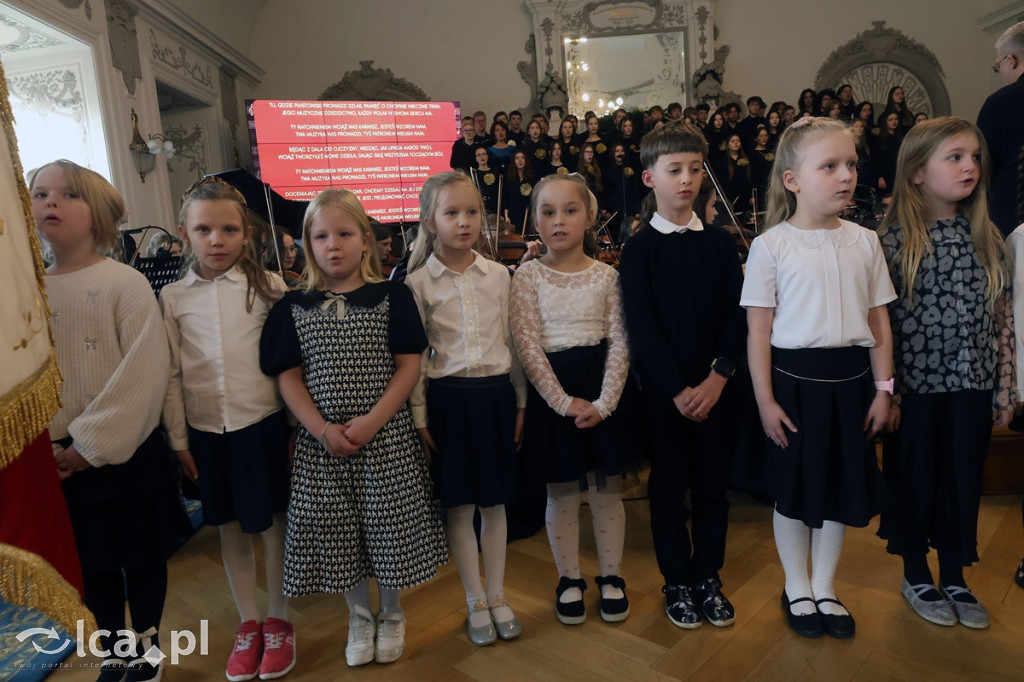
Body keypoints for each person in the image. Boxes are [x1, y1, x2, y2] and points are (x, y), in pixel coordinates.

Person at [259, 189, 447, 668]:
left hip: (385, 439)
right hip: (322, 446)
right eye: (321, 236)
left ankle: (390, 610)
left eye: (345, 234)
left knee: (389, 529)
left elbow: (408, 365)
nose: (333, 245)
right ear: (307, 244)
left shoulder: (392, 295)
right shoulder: (293, 306)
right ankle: (358, 614)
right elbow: (288, 376)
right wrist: (322, 429)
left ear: (366, 241)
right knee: (337, 530)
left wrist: (372, 421)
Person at [31, 159, 188, 681]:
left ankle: (145, 649)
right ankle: (114, 652)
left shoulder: (124, 283)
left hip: (120, 454)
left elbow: (142, 373)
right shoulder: (27, 292)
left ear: (97, 214)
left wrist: (86, 445)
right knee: (91, 568)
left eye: (67, 194)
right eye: (40, 193)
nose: (50, 202)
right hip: (56, 459)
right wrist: (45, 445)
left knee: (139, 561)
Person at [740, 118, 896, 640]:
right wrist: (764, 401)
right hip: (792, 386)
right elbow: (758, 332)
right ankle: (796, 585)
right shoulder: (771, 246)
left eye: (850, 164)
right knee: (793, 490)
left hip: (851, 383)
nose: (845, 175)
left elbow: (878, 321)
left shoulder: (865, 242)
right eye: (829, 166)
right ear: (793, 180)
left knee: (837, 487)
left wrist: (884, 388)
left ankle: (825, 586)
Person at [878, 117, 1014, 630]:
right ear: (916, 172)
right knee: (914, 481)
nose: (970, 167)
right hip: (914, 392)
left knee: (962, 481)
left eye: (975, 157)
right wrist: (886, 393)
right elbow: (879, 327)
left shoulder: (988, 237)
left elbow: (1002, 321)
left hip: (972, 386)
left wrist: (1004, 387)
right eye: (954, 157)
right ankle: (916, 570)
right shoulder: (890, 242)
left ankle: (955, 572)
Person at [161, 179, 294, 680]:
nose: (216, 239)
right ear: (184, 234)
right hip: (205, 432)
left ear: (246, 235)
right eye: (204, 229)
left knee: (273, 523)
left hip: (261, 426)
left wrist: (291, 429)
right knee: (231, 528)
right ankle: (249, 622)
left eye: (228, 229)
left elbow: (286, 369)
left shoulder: (270, 289)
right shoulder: (172, 298)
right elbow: (172, 372)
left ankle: (279, 617)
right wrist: (177, 437)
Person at [619, 122, 745, 631]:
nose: (687, 179)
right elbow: (643, 329)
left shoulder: (718, 244)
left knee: (713, 488)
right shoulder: (640, 250)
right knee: (669, 490)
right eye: (675, 170)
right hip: (666, 397)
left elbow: (738, 315)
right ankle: (676, 579)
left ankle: (707, 576)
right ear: (650, 177)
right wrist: (676, 389)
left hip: (718, 390)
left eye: (695, 168)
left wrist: (718, 378)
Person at [404, 172, 526, 646]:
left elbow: (513, 344)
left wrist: (519, 401)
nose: (464, 221)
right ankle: (474, 599)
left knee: (495, 502)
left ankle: (497, 595)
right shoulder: (418, 283)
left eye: (472, 212)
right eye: (451, 213)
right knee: (459, 504)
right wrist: (419, 416)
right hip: (448, 401)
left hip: (496, 396)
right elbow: (414, 360)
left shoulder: (500, 275)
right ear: (431, 221)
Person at [509, 173, 632, 626]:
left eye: (570, 210)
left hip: (601, 389)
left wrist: (604, 402)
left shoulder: (608, 276)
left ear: (590, 217)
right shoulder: (527, 276)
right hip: (553, 393)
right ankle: (569, 578)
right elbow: (526, 344)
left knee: (606, 490)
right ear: (535, 221)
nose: (558, 221)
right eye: (547, 212)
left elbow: (620, 342)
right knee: (561, 492)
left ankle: (612, 576)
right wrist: (563, 402)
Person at [978, 20, 1024, 236]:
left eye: (998, 66)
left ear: (1011, 60)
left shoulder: (999, 103)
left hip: (1012, 224)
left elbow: (983, 166)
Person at [504, 150, 536, 235]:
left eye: (522, 158)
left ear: (526, 161)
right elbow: (506, 199)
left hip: (527, 213)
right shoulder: (509, 179)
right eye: (517, 158)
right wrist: (506, 216)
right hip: (513, 214)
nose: (520, 160)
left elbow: (534, 199)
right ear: (514, 161)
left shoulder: (531, 179)